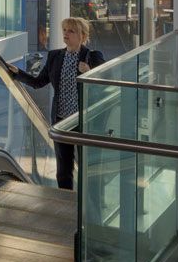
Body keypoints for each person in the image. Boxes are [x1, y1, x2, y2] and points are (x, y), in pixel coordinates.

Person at [7, 16, 106, 190]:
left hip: (84, 121)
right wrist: (18, 73)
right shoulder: (55, 56)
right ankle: (65, 200)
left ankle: (90, 202)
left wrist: (89, 72)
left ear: (82, 36)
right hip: (61, 121)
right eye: (64, 30)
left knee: (88, 168)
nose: (66, 34)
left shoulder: (93, 57)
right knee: (63, 170)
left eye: (71, 31)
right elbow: (38, 82)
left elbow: (105, 84)